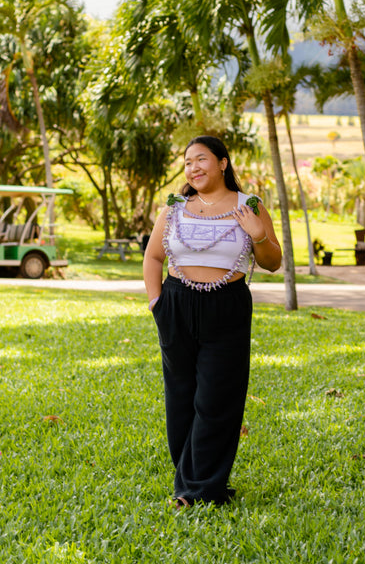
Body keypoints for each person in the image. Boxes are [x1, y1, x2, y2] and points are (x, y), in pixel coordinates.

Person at [143, 135, 281, 508]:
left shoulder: (248, 205)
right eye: (187, 162)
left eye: (201, 159)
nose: (193, 168)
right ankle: (193, 481)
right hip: (176, 305)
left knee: (217, 399)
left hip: (228, 307)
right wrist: (157, 303)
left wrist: (259, 235)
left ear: (222, 163)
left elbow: (272, 261)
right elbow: (153, 257)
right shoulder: (174, 207)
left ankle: (196, 489)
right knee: (181, 397)